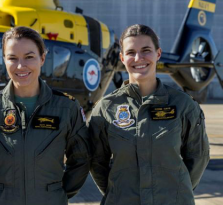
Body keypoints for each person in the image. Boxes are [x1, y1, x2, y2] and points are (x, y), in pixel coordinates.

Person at [89, 24, 210, 205]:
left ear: (158, 54)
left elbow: (198, 157)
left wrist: (176, 191)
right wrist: (119, 193)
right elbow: (97, 162)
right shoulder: (107, 108)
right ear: (122, 58)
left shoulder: (183, 105)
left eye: (146, 50)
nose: (138, 58)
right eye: (131, 52)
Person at [0, 26, 90, 205]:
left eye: (29, 57)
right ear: (4, 60)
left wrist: (55, 194)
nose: (21, 66)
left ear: (42, 58)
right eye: (12, 58)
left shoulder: (66, 107)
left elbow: (81, 160)